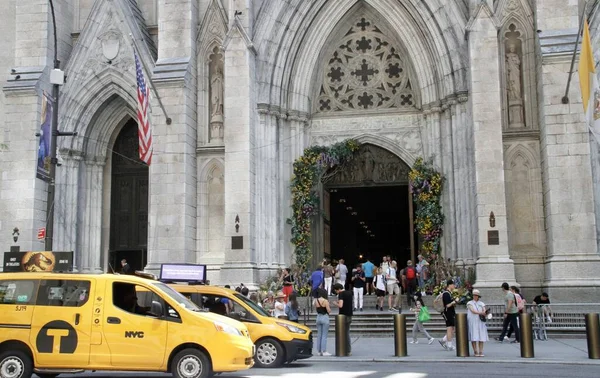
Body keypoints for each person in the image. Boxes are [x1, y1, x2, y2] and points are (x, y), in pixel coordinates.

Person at [467, 289, 489, 357]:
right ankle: (475, 351)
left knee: (481, 336)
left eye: (476, 295)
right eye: (474, 295)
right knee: (474, 335)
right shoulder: (469, 303)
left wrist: (485, 313)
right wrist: (481, 313)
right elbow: (472, 311)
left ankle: (481, 351)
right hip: (473, 321)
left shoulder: (481, 303)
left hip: (480, 321)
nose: (475, 296)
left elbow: (484, 310)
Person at [333, 283, 353, 355]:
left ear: (338, 289)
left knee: (344, 333)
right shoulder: (349, 293)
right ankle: (348, 349)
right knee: (347, 332)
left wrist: (335, 303)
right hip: (349, 314)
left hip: (343, 316)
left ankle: (347, 349)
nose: (336, 292)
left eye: (336, 291)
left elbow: (341, 305)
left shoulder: (341, 294)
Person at [439, 279, 459, 351]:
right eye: (453, 284)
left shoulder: (449, 293)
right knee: (450, 329)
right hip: (448, 313)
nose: (454, 286)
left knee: (452, 328)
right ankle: (449, 345)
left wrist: (454, 302)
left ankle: (443, 340)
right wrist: (454, 301)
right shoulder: (446, 294)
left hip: (450, 313)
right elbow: (447, 305)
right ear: (449, 285)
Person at [313, 288, 331, 356]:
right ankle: (324, 351)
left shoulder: (316, 300)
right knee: (324, 335)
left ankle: (319, 351)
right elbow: (328, 310)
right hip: (325, 317)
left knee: (319, 334)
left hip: (318, 317)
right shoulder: (325, 301)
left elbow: (316, 308)